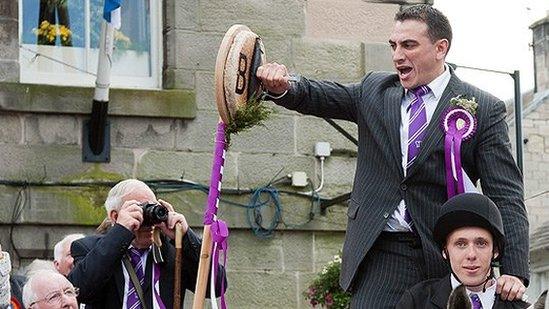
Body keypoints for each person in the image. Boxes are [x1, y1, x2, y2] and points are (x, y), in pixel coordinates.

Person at [256, 4, 529, 307]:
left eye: (409, 45)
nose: (398, 55)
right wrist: (283, 86)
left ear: (441, 48)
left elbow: (506, 195)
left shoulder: (484, 108)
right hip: (380, 257)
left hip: (442, 262)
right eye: (394, 45)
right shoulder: (374, 89)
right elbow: (317, 95)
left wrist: (515, 272)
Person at [68, 179, 225, 308]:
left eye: (152, 208)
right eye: (140, 210)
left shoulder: (172, 251)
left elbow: (216, 286)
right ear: (115, 216)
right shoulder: (87, 248)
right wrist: (121, 233)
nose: (148, 220)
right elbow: (79, 290)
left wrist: (184, 237)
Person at [396, 193, 529, 308]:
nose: (471, 255)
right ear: (445, 251)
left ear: (495, 250)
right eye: (460, 244)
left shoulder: (519, 306)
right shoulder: (417, 301)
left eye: (481, 243)